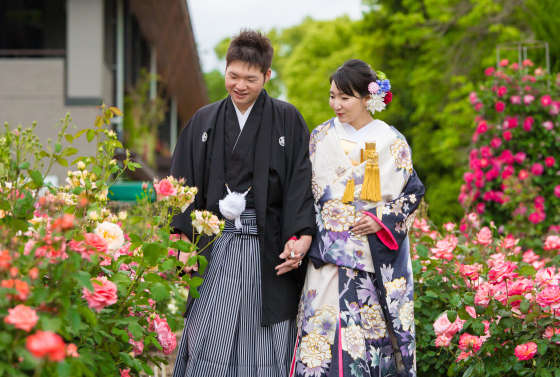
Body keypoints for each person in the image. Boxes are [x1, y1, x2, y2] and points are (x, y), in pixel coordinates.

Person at [169, 29, 316, 377]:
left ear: (267, 76)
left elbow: (301, 182)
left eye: (251, 78)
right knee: (208, 329)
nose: (240, 85)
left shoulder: (287, 119)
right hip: (214, 244)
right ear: (225, 70)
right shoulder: (203, 120)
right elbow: (180, 185)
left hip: (268, 248)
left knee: (268, 336)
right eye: (233, 76)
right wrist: (181, 240)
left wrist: (302, 235)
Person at [292, 60, 424, 377]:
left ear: (368, 98)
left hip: (373, 258)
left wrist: (381, 218)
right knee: (321, 341)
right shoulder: (320, 137)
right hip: (327, 257)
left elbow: (412, 193)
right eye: (333, 96)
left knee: (372, 343)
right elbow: (303, 192)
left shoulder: (392, 142)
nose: (336, 104)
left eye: (345, 97)